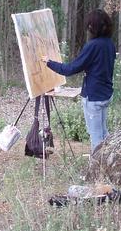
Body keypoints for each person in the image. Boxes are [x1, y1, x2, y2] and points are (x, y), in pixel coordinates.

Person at [41, 9, 116, 153]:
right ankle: (109, 163)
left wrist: (49, 62)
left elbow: (70, 69)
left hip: (94, 98)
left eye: (89, 26)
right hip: (105, 95)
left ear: (92, 27)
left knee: (96, 138)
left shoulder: (93, 46)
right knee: (104, 133)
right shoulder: (109, 44)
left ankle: (97, 171)